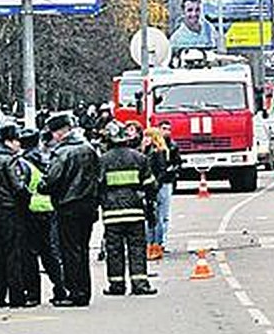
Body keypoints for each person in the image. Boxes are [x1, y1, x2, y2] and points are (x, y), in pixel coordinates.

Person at [41, 111, 102, 307]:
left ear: (59, 133)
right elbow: (100, 177)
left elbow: (52, 180)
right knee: (82, 250)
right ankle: (84, 291)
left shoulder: (63, 152)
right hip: (88, 206)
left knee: (70, 251)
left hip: (68, 206)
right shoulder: (89, 149)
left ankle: (75, 292)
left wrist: (42, 186)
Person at [98, 121, 157, 296]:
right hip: (135, 212)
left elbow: (97, 186)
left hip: (112, 214)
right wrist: (149, 205)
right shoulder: (140, 158)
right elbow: (150, 185)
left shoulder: (103, 160)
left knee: (114, 250)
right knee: (137, 248)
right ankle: (140, 284)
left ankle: (117, 285)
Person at [0, 121, 29, 308]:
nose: (19, 144)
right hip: (12, 211)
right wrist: (27, 198)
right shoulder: (10, 161)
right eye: (17, 140)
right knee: (13, 255)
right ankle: (17, 296)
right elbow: (18, 187)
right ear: (9, 142)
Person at [19, 127, 66, 306]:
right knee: (50, 254)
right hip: (49, 209)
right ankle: (60, 289)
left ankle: (33, 294)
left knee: (30, 255)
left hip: (31, 211)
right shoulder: (48, 158)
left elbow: (22, 188)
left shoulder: (24, 163)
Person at [144, 125, 176, 259]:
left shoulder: (159, 151)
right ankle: (150, 245)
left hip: (159, 187)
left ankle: (157, 244)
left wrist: (155, 185)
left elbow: (161, 170)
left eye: (148, 136)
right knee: (150, 217)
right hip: (151, 187)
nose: (145, 139)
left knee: (158, 218)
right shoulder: (146, 151)